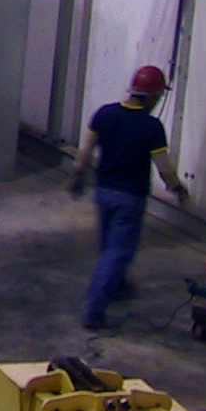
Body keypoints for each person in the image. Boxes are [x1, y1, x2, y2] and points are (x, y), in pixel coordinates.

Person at [69, 64, 191, 328]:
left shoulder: (104, 114)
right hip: (130, 199)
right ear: (152, 96)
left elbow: (86, 151)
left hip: (103, 193)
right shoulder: (151, 127)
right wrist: (178, 189)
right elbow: (164, 168)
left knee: (109, 245)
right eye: (158, 96)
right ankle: (94, 310)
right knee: (118, 252)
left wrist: (78, 177)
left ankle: (118, 286)